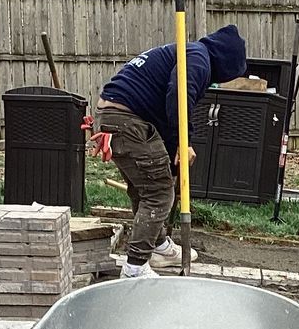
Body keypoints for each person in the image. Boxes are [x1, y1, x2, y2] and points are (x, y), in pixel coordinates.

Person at [95, 24, 248, 277]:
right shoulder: (199, 59)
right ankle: (135, 267)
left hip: (114, 116)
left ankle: (159, 246)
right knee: (158, 192)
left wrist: (172, 154)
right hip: (127, 120)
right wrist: (184, 141)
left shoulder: (189, 52)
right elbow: (179, 95)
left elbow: (162, 110)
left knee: (146, 185)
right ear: (227, 64)